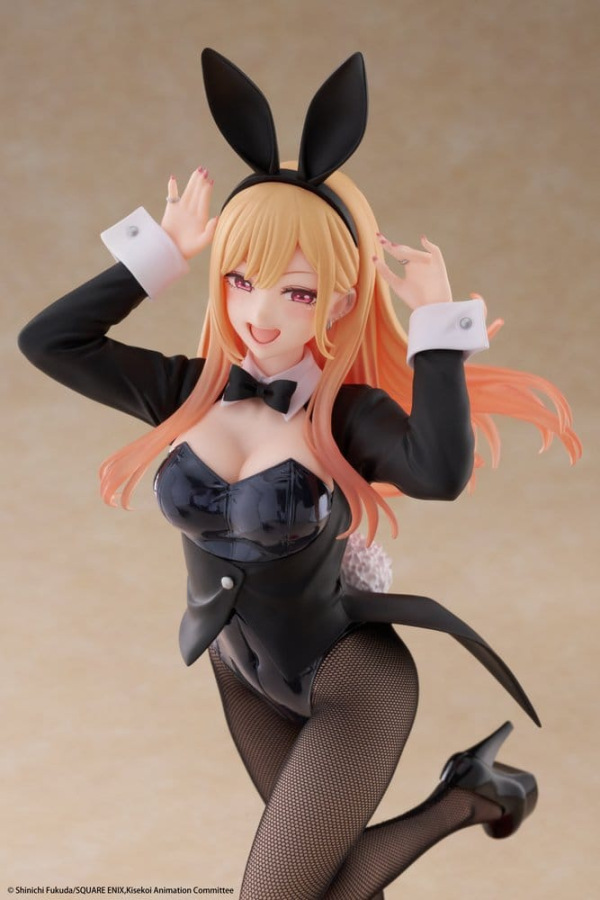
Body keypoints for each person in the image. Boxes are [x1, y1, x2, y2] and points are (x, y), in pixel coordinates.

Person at [18, 50, 580, 899]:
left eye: (299, 293)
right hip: (240, 668)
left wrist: (437, 328)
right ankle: (468, 797)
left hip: (355, 683)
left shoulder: (346, 417)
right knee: (324, 888)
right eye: (241, 280)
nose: (260, 314)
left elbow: (440, 473)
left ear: (342, 302)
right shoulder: (187, 388)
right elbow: (48, 342)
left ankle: (465, 799)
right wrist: (155, 255)